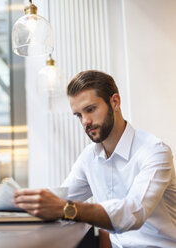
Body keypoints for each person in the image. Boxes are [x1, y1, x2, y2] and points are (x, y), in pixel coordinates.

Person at [13, 70, 176, 247]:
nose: (85, 121)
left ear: (115, 102)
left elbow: (133, 214)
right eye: (79, 115)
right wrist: (19, 202)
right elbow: (61, 196)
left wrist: (65, 208)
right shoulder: (89, 157)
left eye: (90, 110)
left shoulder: (154, 151)